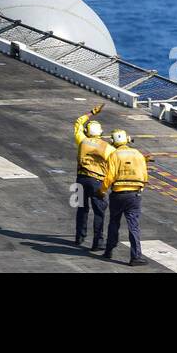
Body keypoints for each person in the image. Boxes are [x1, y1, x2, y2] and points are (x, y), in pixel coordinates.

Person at [99, 129, 148, 266]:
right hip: (134, 195)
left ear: (114, 142)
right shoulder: (138, 154)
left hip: (118, 194)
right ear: (127, 139)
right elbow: (144, 175)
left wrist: (102, 191)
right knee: (133, 226)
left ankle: (109, 250)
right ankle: (135, 257)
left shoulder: (114, 155)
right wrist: (140, 189)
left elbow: (109, 176)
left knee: (114, 222)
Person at [72, 104, 111, 250]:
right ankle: (97, 242)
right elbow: (116, 158)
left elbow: (78, 122)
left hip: (81, 179)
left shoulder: (82, 140)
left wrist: (92, 112)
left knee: (82, 209)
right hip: (97, 181)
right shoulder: (106, 146)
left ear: (87, 131)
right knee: (99, 212)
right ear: (100, 132)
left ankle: (79, 237)